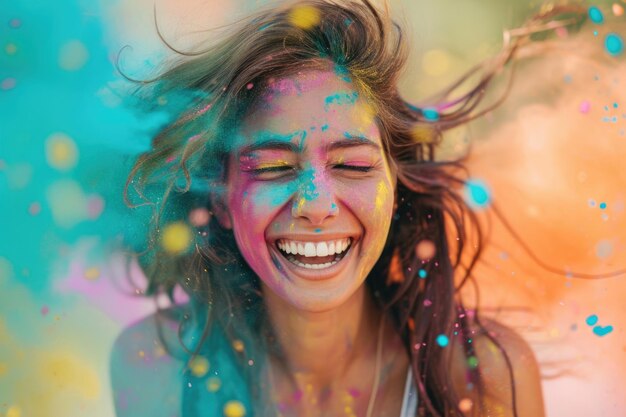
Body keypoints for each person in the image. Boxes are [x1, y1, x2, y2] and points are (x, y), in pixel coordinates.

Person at [110, 0, 578, 415]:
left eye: (353, 165)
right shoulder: (156, 366)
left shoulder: (484, 377)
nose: (316, 204)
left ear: (395, 187)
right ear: (221, 200)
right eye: (273, 167)